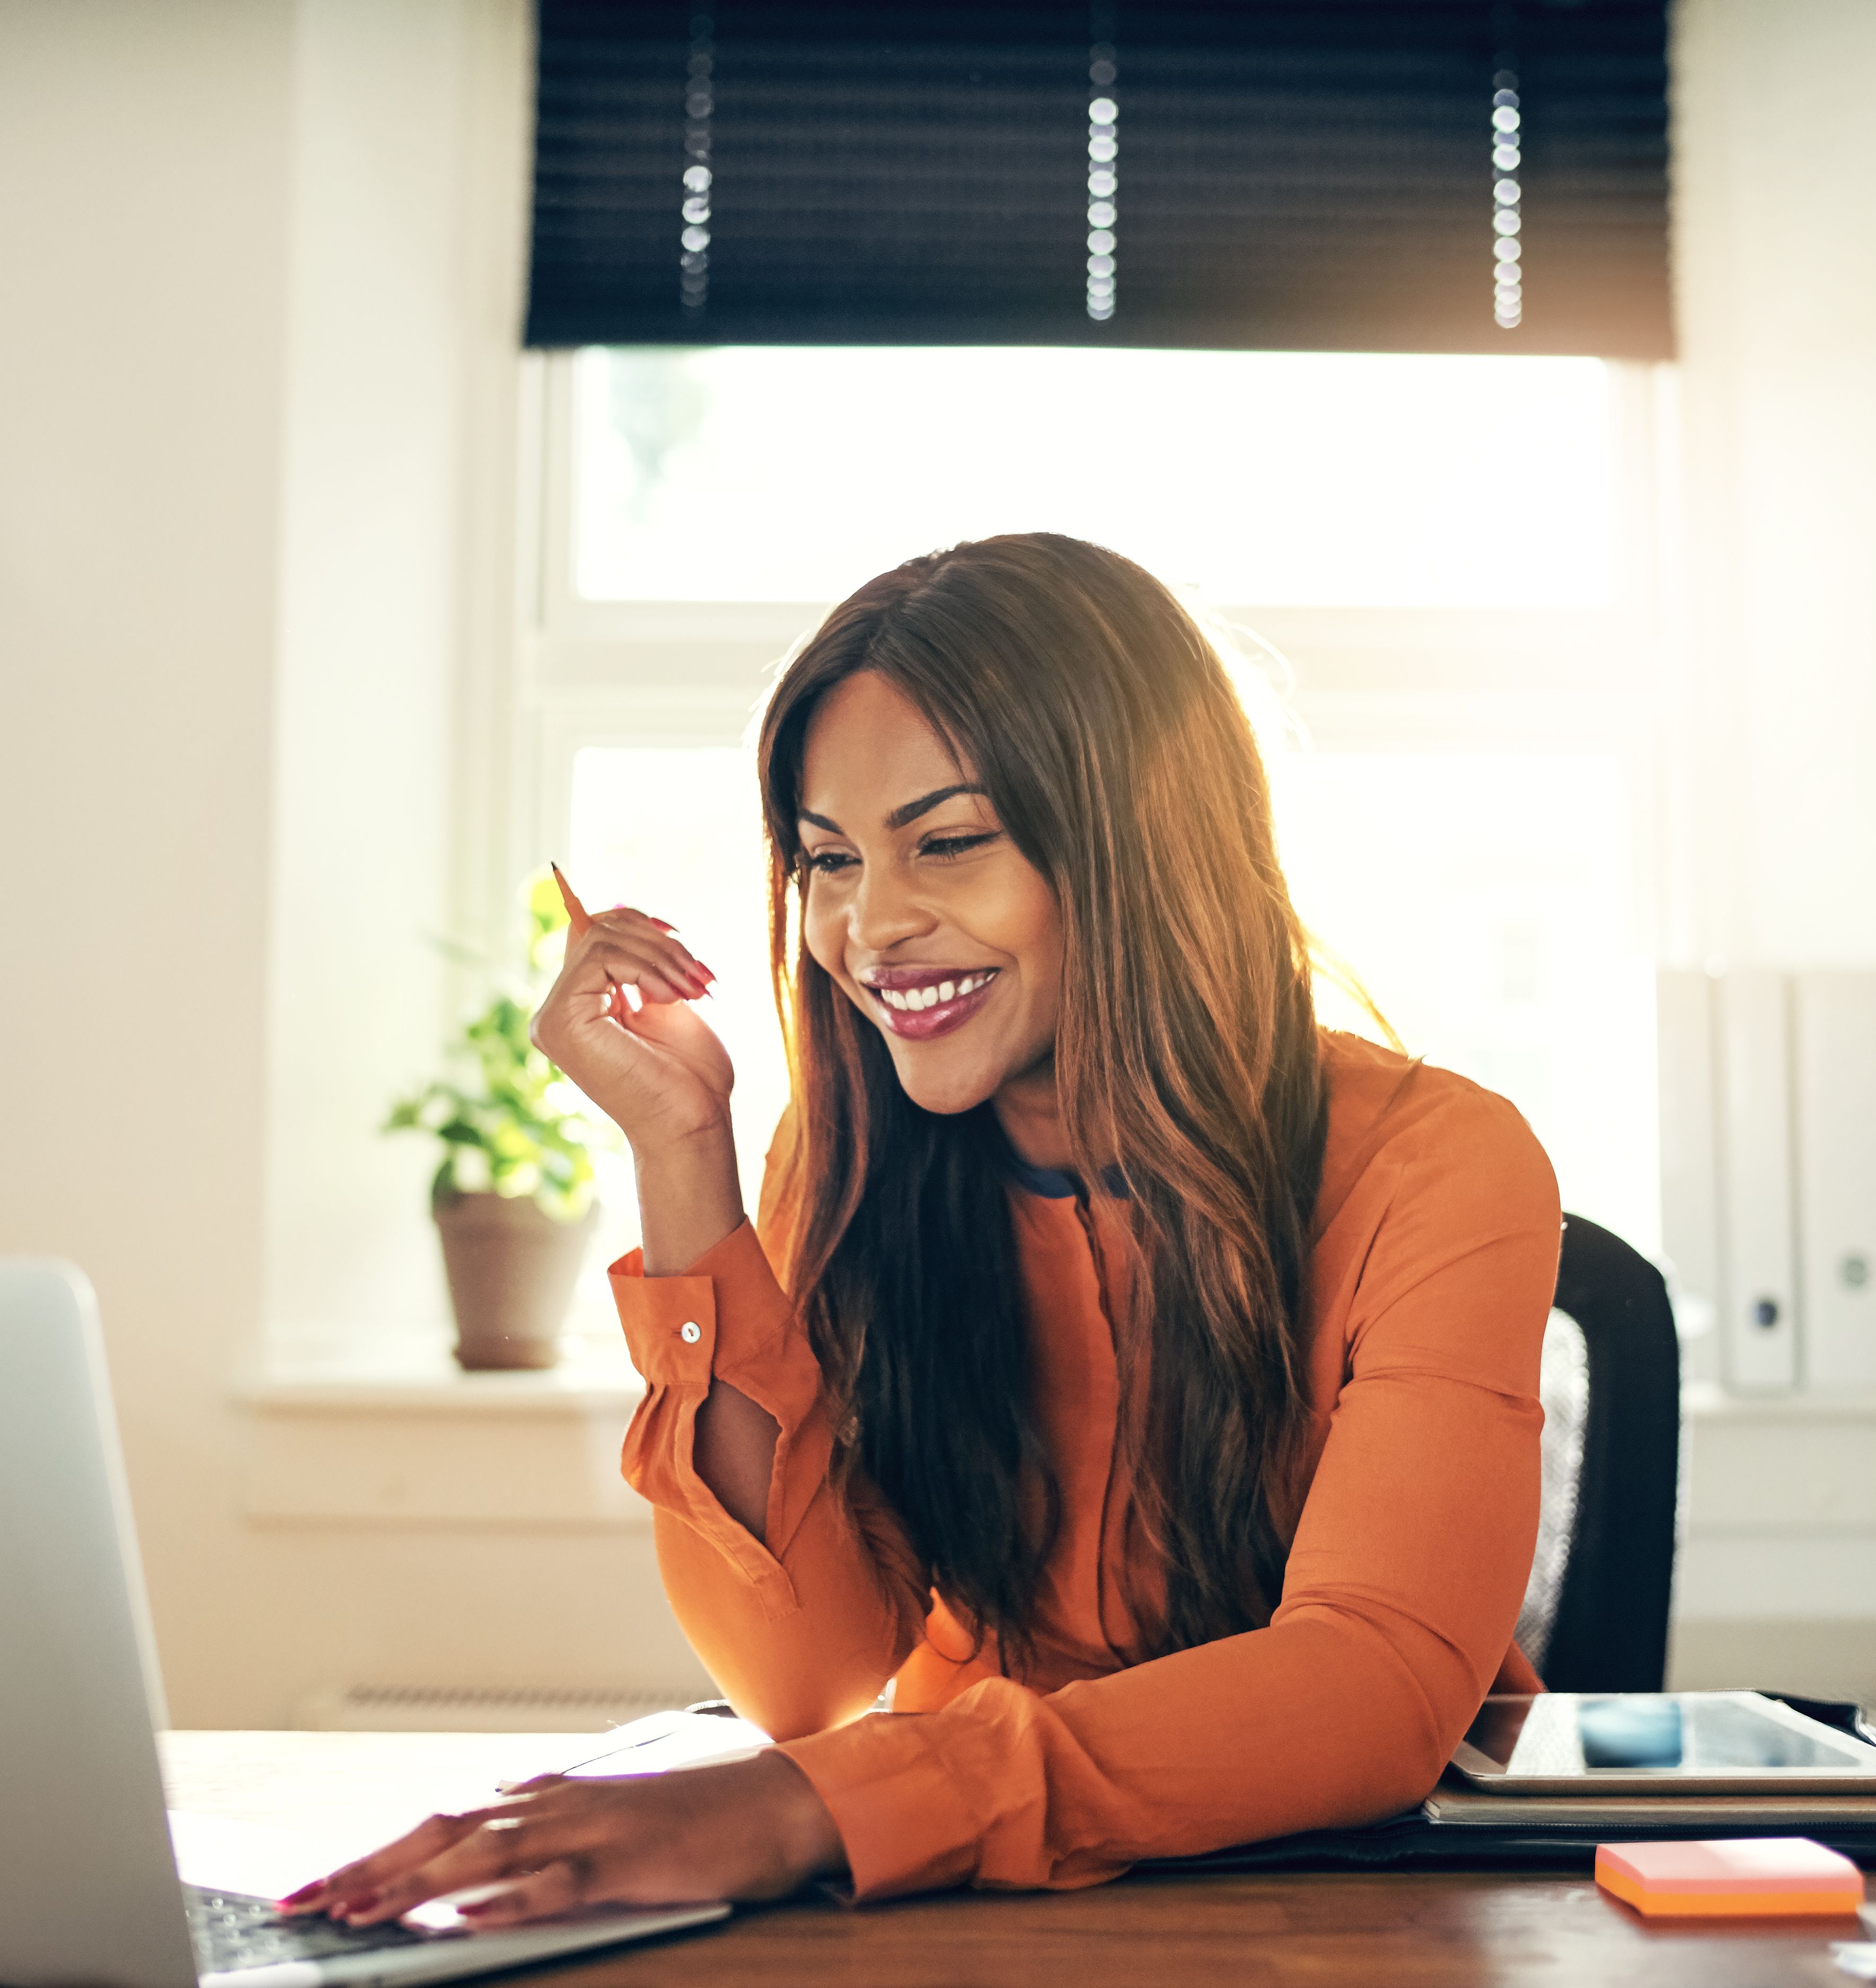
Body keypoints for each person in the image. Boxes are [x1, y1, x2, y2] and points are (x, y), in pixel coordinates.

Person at [285, 532, 1560, 1929]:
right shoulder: (844, 1158)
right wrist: (683, 1157)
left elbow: (1370, 1684)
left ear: (1143, 841)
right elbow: (805, 1678)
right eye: (829, 861)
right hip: (965, 1903)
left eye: (947, 843)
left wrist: (814, 1808)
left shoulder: (1441, 1164)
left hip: (1345, 1910)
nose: (868, 926)